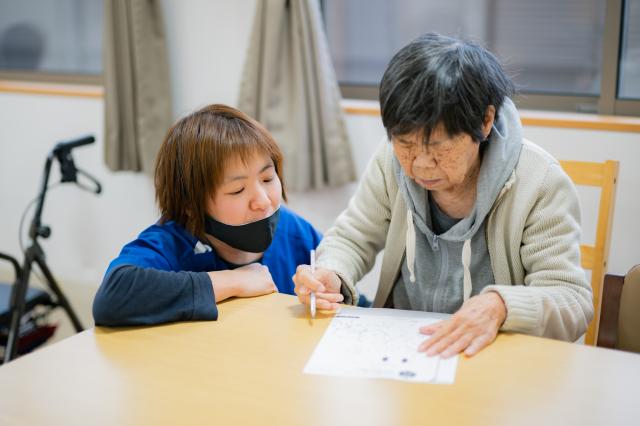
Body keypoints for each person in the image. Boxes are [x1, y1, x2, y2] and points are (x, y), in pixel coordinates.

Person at [292, 33, 593, 358]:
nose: (420, 164)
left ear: (486, 120)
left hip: (489, 357)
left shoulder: (539, 182)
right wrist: (331, 274)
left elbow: (571, 300)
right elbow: (352, 237)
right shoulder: (389, 162)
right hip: (405, 350)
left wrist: (501, 306)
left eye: (439, 146)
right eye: (405, 144)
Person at [93, 104, 323, 326]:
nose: (263, 201)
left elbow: (352, 302)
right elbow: (113, 296)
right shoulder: (172, 243)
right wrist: (234, 281)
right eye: (237, 190)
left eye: (267, 179)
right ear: (190, 204)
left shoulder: (294, 231)